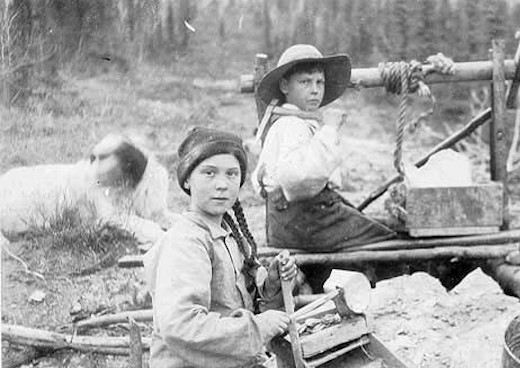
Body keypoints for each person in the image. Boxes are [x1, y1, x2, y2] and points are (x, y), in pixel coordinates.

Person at [144, 127, 298, 368]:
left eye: (232, 174)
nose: (222, 185)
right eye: (209, 173)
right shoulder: (186, 241)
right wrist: (260, 326)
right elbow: (181, 325)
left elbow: (237, 302)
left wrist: (271, 285)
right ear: (186, 179)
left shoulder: (229, 232)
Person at [252, 44, 398, 286]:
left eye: (319, 82)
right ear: (285, 86)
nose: (315, 90)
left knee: (377, 225)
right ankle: (385, 280)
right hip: (304, 222)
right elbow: (297, 179)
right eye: (305, 82)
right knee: (385, 235)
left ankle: (327, 277)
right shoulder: (291, 125)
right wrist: (329, 130)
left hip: (295, 221)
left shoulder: (293, 122)